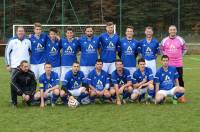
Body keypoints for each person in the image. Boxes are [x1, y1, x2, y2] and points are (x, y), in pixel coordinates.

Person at [160, 25, 187, 102]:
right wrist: (165, 58)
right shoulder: (164, 40)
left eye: (174, 30)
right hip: (168, 65)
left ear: (176, 31)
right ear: (169, 31)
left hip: (178, 64)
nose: (172, 31)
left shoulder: (181, 39)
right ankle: (165, 95)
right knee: (168, 80)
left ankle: (181, 96)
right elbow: (161, 50)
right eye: (171, 30)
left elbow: (185, 49)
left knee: (180, 79)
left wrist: (180, 55)